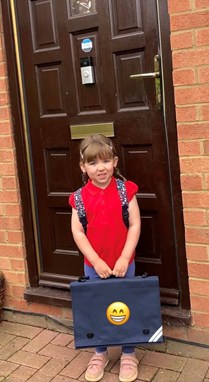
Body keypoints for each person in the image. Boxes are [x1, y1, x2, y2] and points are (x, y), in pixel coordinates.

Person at [69, 134, 141, 382]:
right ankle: (100, 352)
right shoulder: (78, 198)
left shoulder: (125, 190)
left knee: (126, 306)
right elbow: (78, 232)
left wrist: (124, 257)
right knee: (98, 306)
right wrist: (96, 261)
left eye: (105, 161)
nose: (100, 168)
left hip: (124, 262)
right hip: (94, 265)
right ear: (83, 167)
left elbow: (134, 224)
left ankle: (129, 352)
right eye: (93, 163)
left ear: (115, 162)